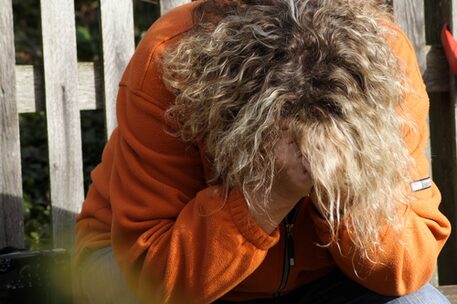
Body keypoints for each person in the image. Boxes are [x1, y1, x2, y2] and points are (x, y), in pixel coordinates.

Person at [75, 0, 452, 303]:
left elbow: (407, 268)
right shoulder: (173, 56)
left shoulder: (382, 55)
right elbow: (153, 279)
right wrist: (268, 194)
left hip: (322, 280)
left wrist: (342, 189)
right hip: (143, 265)